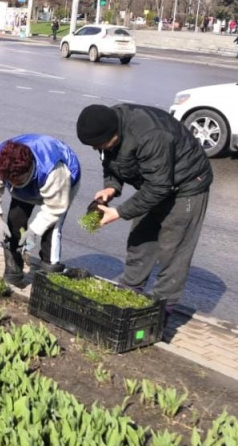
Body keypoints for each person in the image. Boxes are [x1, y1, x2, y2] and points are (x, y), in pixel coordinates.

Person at [75, 104, 212, 306]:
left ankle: (163, 307)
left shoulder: (151, 135)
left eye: (100, 144)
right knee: (140, 239)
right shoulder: (106, 125)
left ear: (114, 133)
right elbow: (111, 161)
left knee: (173, 251)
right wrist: (111, 187)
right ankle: (130, 289)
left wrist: (119, 212)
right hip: (154, 182)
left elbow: (159, 187)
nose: (97, 149)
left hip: (187, 185)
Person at [0, 134, 82, 286]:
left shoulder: (53, 170)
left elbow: (55, 208)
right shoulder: (0, 163)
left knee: (51, 231)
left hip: (61, 186)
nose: (12, 183)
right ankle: (14, 271)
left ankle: (48, 275)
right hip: (28, 186)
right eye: (8, 181)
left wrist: (33, 230)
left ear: (28, 169)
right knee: (14, 222)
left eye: (16, 180)